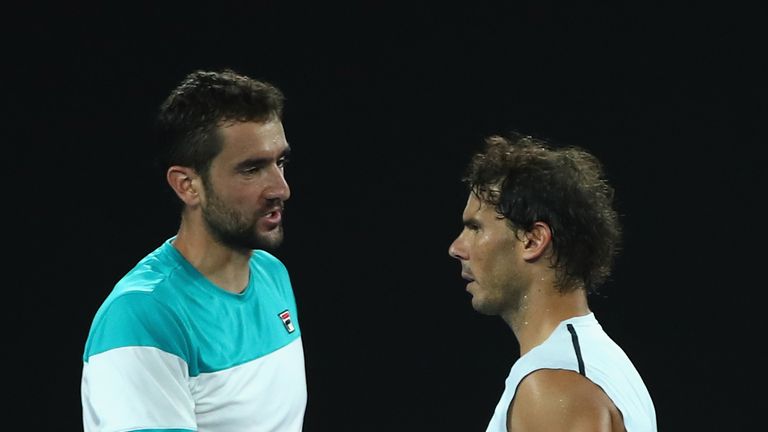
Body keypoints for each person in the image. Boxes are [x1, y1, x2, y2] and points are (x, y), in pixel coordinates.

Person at [81, 69, 306, 431]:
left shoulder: (271, 275)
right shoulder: (141, 316)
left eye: (280, 163)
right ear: (188, 186)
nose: (281, 188)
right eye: (251, 169)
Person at [448, 132, 657, 431]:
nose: (456, 248)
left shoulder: (552, 386)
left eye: (475, 228)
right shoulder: (600, 365)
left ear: (533, 241)